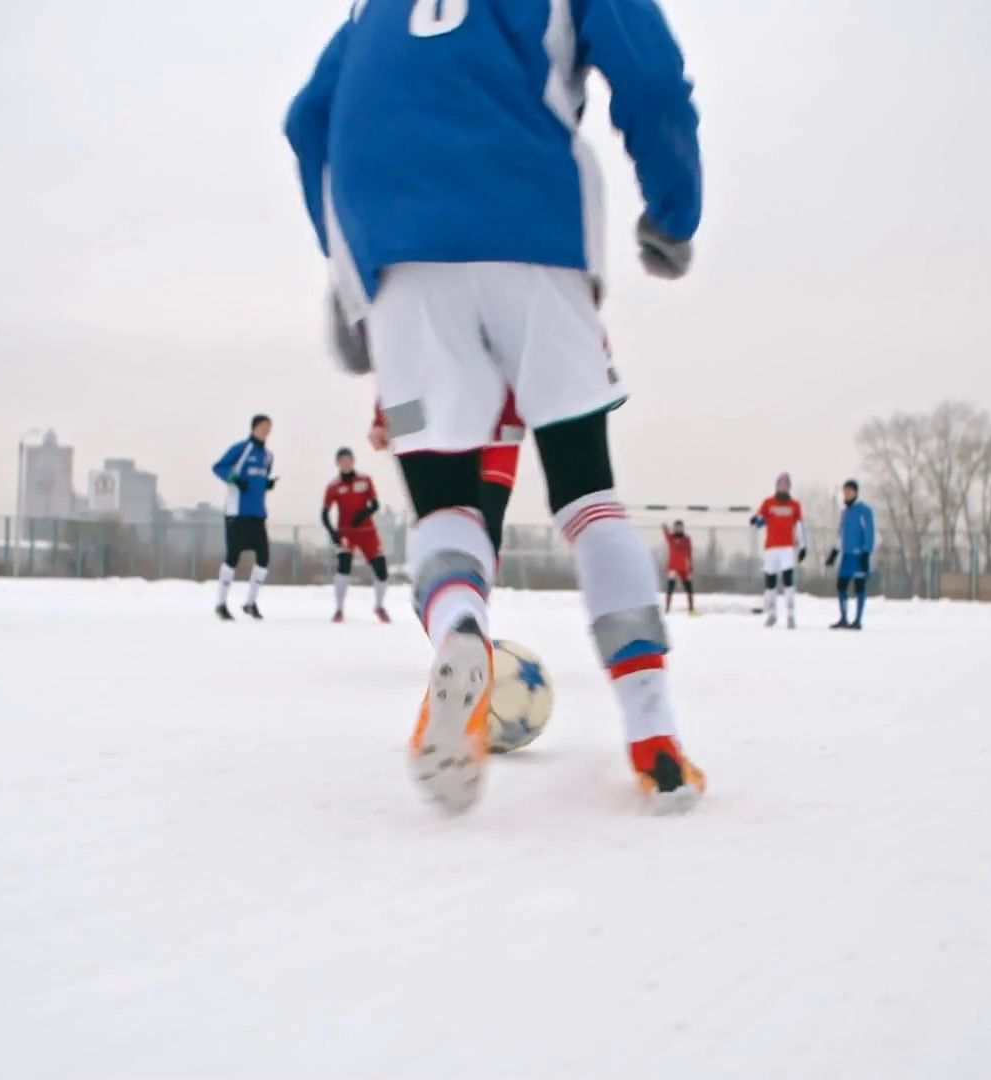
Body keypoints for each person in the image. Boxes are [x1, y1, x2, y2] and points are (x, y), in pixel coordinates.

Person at [287, 0, 705, 814]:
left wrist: (348, 282)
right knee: (588, 496)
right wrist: (673, 206)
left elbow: (308, 120)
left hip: (399, 264)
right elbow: (653, 74)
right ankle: (653, 735)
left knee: (445, 506)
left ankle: (460, 632)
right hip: (532, 228)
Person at [369, 394, 523, 555]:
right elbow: (397, 381)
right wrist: (382, 420)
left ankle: (470, 564)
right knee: (440, 528)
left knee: (481, 530)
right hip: (423, 420)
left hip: (495, 424)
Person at [211, 415, 276, 621]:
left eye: (269, 428)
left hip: (258, 514)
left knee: (263, 559)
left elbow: (260, 479)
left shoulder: (268, 456)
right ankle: (220, 603)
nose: (266, 431)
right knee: (233, 557)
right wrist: (235, 479)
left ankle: (250, 602)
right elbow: (218, 467)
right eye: (263, 427)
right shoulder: (242, 448)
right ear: (254, 428)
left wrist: (267, 484)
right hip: (237, 512)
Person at [323, 447, 392, 623]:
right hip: (346, 532)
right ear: (337, 463)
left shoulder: (365, 479)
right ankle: (339, 610)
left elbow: (375, 504)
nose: (345, 463)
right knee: (344, 565)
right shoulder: (333, 486)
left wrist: (363, 514)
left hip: (367, 531)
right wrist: (332, 533)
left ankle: (379, 606)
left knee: (381, 570)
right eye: (342, 460)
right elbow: (324, 514)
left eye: (348, 460)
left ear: (353, 461)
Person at [751, 473, 809, 628]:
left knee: (788, 578)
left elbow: (799, 526)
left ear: (789, 487)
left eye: (786, 484)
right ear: (776, 486)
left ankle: (790, 614)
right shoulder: (768, 503)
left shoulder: (794, 505)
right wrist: (755, 521)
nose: (783, 487)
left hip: (787, 547)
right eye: (780, 484)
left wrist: (803, 546)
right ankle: (772, 613)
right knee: (770, 579)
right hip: (771, 547)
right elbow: (760, 521)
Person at [828, 479, 876, 630]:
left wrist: (866, 553)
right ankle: (843, 618)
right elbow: (841, 535)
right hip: (847, 555)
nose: (846, 494)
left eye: (849, 491)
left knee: (859, 586)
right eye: (845, 492)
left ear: (855, 492)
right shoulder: (845, 513)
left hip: (859, 554)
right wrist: (834, 552)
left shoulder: (864, 511)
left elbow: (869, 532)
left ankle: (858, 620)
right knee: (841, 585)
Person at [663, 520, 695, 614]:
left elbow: (689, 552)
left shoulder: (686, 539)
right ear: (674, 528)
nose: (678, 529)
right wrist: (665, 528)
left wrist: (690, 564)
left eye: (680, 527)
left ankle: (691, 609)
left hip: (683, 567)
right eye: (676, 527)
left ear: (682, 528)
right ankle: (667, 609)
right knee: (670, 587)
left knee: (689, 588)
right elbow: (666, 535)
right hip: (673, 566)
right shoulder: (671, 538)